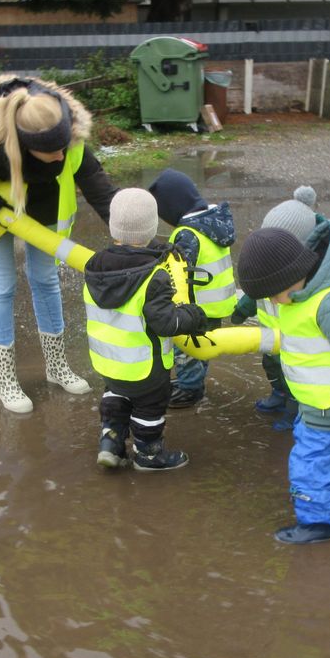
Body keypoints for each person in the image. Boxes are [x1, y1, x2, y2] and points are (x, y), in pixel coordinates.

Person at [0, 74, 118, 413]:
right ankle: (6, 380)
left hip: (43, 202)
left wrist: (125, 235)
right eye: (53, 150)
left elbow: (95, 183)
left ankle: (56, 367)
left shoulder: (66, 131)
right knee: (1, 287)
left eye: (65, 146)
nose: (62, 154)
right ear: (25, 144)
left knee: (46, 281)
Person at [237, 223, 330, 545]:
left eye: (274, 295)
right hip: (318, 400)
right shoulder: (303, 295)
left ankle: (318, 524)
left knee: (310, 463)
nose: (274, 304)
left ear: (291, 277)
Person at [82, 188, 215, 471]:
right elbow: (166, 323)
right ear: (153, 227)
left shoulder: (95, 269)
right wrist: (193, 315)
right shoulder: (155, 277)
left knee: (115, 394)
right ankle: (148, 454)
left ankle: (111, 440)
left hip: (108, 362)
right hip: (145, 367)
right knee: (149, 407)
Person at [232, 185, 324, 431]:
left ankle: (294, 409)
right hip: (270, 339)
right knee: (271, 367)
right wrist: (241, 311)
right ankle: (278, 395)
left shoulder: (308, 281)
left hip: (296, 344)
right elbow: (254, 296)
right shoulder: (267, 269)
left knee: (295, 377)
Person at [148, 169, 236, 408]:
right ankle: (193, 382)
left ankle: (190, 389)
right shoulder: (213, 224)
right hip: (217, 304)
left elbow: (177, 271)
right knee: (201, 345)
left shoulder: (187, 233)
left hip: (196, 306)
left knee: (187, 347)